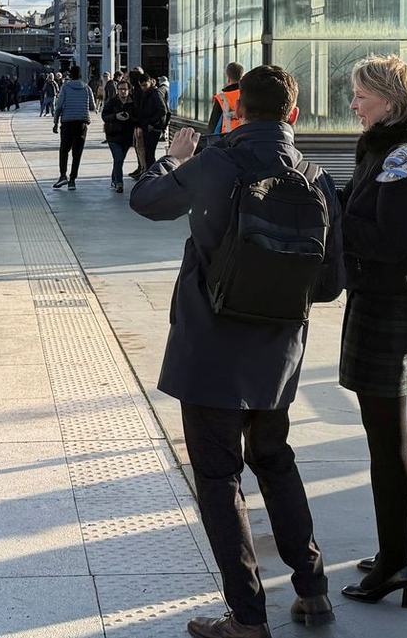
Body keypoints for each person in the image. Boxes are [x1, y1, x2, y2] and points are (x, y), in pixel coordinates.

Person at [131, 66, 344, 638]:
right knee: (275, 460)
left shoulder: (219, 160)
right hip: (277, 353)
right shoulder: (316, 177)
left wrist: (172, 158)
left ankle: (248, 618)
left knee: (220, 478)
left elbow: (146, 200)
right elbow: (328, 284)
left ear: (238, 107)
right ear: (294, 115)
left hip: (210, 349)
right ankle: (313, 590)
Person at [337, 54, 407, 610]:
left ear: (389, 99)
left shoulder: (406, 157)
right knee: (396, 431)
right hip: (386, 298)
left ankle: (393, 564)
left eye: (360, 95)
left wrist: (334, 217)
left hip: (394, 303)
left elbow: (388, 241)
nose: (353, 104)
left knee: (386, 438)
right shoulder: (387, 149)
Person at [54, 66, 95, 190]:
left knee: (64, 150)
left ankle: (62, 176)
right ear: (81, 75)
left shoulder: (65, 88)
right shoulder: (87, 88)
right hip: (82, 123)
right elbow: (92, 106)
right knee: (77, 153)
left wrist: (55, 122)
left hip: (67, 122)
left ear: (70, 76)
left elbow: (59, 106)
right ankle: (72, 180)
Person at [101, 78, 137, 193]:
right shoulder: (112, 102)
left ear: (129, 90)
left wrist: (129, 117)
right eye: (121, 89)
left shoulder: (133, 103)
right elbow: (104, 116)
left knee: (119, 160)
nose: (123, 92)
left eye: (125, 89)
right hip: (113, 135)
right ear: (117, 90)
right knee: (118, 158)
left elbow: (138, 117)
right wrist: (115, 116)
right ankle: (119, 183)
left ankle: (114, 178)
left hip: (127, 136)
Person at [135, 72, 170, 170]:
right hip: (148, 126)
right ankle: (150, 172)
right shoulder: (145, 93)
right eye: (141, 86)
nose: (143, 88)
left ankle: (152, 173)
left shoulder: (155, 93)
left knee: (149, 153)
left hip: (154, 127)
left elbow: (163, 110)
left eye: (145, 85)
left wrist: (152, 122)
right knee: (147, 152)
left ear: (150, 82)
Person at [206, 62, 244, 138]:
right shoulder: (248, 94)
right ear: (242, 76)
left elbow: (213, 125)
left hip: (226, 139)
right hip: (245, 136)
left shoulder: (221, 98)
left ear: (228, 78)